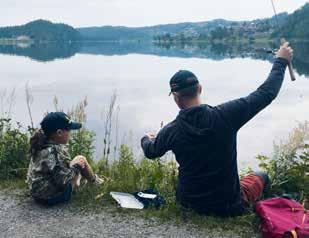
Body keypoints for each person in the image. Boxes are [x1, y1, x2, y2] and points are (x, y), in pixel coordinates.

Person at [141, 42, 294, 216]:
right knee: (261, 175)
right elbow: (266, 93)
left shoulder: (171, 131)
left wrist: (146, 138)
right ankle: (262, 208)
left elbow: (151, 151)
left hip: (189, 204)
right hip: (230, 206)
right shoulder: (226, 115)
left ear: (176, 98)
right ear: (199, 89)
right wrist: (281, 61)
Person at [27, 112, 104, 206]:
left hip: (37, 194)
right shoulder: (53, 151)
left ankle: (91, 180)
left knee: (74, 165)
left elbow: (55, 169)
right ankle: (96, 183)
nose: (70, 133)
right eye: (69, 130)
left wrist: (71, 165)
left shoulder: (42, 144)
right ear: (59, 133)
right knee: (81, 159)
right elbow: (63, 181)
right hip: (50, 197)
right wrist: (75, 167)